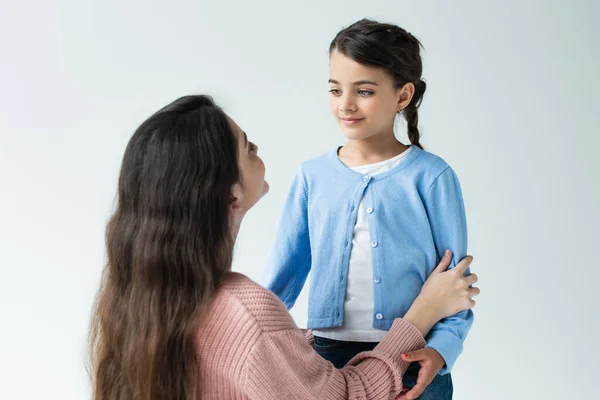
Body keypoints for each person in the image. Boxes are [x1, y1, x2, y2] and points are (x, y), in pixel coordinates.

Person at [88, 94, 479, 399]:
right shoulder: (246, 313)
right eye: (248, 148)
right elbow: (346, 395)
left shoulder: (139, 301)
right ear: (230, 195)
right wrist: (421, 315)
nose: (259, 150)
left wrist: (290, 344)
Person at [263, 19, 472, 399]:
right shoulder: (313, 176)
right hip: (326, 355)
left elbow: (454, 280)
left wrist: (443, 349)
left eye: (363, 90)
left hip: (414, 355)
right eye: (335, 89)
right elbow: (283, 276)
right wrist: (262, 339)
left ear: (403, 96)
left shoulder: (432, 176)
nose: (345, 104)